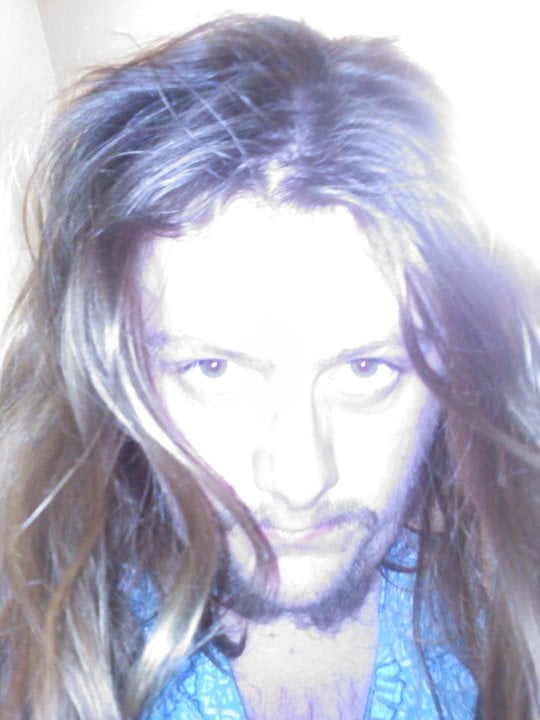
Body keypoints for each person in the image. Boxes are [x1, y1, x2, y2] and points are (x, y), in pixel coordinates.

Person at [0, 13, 538, 720]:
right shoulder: (28, 655)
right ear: (116, 370)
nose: (302, 479)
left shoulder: (502, 623)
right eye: (213, 370)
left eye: (368, 370)